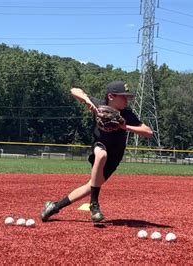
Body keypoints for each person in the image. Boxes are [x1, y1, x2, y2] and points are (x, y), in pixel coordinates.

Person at [40, 81, 153, 222]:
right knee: (101, 155)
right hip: (100, 145)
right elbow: (74, 89)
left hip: (115, 156)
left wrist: (126, 127)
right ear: (111, 96)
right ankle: (94, 205)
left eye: (128, 97)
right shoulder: (99, 106)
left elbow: (149, 132)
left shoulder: (127, 115)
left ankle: (55, 206)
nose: (127, 100)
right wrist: (87, 100)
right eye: (123, 96)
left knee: (91, 186)